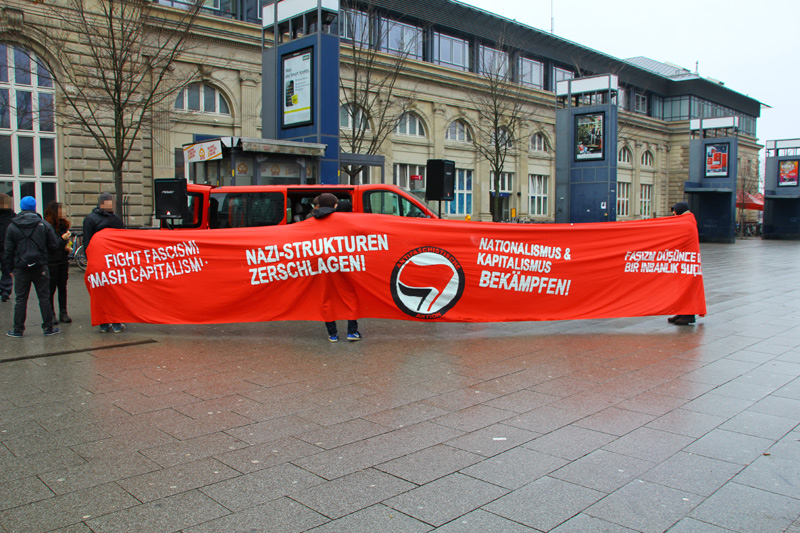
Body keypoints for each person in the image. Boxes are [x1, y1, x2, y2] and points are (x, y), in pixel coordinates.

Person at [4, 196, 59, 337]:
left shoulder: (13, 226)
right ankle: (48, 328)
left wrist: (10, 268)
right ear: (35, 207)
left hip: (21, 267)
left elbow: (8, 250)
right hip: (40, 266)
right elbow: (54, 245)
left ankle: (18, 330)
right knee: (44, 297)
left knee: (21, 299)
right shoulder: (43, 224)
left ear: (21, 207)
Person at [311, 193, 362, 342]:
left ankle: (332, 334)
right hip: (343, 264)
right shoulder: (344, 220)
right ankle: (352, 332)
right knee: (350, 296)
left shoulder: (310, 221)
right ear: (335, 205)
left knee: (326, 299)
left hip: (321, 266)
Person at [83, 192, 125, 333]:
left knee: (114, 293)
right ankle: (105, 322)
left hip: (114, 262)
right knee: (102, 294)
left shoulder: (115, 218)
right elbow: (87, 243)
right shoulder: (91, 219)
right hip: (100, 263)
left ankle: (115, 321)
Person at [44, 201, 73, 325]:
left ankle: (63, 312)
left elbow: (63, 244)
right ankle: (51, 313)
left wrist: (68, 246)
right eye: (61, 210)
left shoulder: (63, 226)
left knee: (62, 287)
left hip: (62, 261)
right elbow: (53, 245)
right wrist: (62, 240)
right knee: (51, 289)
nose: (64, 213)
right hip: (51, 262)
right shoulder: (47, 227)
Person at [668, 201, 696, 326]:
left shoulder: (686, 222)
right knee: (681, 288)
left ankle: (689, 315)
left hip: (687, 262)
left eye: (674, 212)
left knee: (687, 288)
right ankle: (682, 312)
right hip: (682, 261)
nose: (674, 215)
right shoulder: (686, 220)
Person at [0, 193, 15, 303]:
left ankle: (5, 290)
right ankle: (5, 290)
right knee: (6, 269)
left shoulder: (12, 216)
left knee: (6, 269)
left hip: (6, 247)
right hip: (6, 246)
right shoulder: (12, 216)